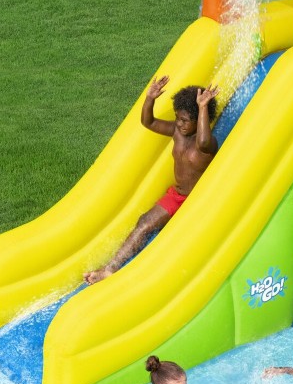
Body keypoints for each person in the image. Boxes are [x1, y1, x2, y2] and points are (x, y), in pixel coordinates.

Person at [84, 77, 218, 284]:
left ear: (199, 118)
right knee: (145, 222)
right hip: (178, 195)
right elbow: (149, 122)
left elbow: (202, 140)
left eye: (184, 120)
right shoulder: (178, 132)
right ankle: (109, 269)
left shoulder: (207, 144)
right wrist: (150, 98)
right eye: (178, 118)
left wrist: (202, 108)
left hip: (199, 200)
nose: (179, 123)